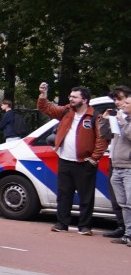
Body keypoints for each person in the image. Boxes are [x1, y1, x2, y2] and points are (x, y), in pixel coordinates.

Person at [37, 82, 109, 234]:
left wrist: (94, 158)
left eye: (75, 97)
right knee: (64, 194)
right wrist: (43, 95)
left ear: (85, 100)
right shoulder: (66, 111)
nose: (71, 99)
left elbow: (102, 139)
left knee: (86, 197)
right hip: (65, 160)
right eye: (70, 96)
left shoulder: (95, 116)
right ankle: (62, 224)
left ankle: (85, 226)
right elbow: (46, 108)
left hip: (85, 162)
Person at [109, 86, 131, 244]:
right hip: (117, 166)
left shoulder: (124, 121)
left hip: (129, 168)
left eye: (127, 103)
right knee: (123, 204)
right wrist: (105, 122)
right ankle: (128, 234)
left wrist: (122, 121)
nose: (122, 104)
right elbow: (107, 136)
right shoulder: (121, 120)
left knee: (130, 203)